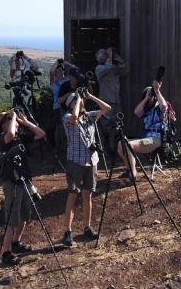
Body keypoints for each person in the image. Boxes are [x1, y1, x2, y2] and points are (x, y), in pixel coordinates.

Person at [0, 109, 46, 266]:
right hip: (12, 183)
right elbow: (9, 135)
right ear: (3, 124)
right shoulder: (3, 139)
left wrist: (24, 122)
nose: (13, 121)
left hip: (24, 181)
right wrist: (14, 117)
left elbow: (41, 133)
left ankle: (16, 243)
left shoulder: (20, 138)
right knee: (12, 219)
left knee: (25, 215)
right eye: (8, 119)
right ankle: (6, 252)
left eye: (11, 119)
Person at [61, 90, 111, 246]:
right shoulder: (67, 117)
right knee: (72, 194)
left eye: (79, 100)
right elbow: (74, 117)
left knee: (87, 195)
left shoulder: (89, 116)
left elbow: (107, 108)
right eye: (75, 100)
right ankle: (68, 232)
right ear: (70, 105)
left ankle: (87, 227)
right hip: (75, 161)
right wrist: (78, 100)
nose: (79, 101)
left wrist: (90, 96)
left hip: (91, 161)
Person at [117, 80, 167, 179]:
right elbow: (136, 112)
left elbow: (164, 106)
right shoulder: (145, 109)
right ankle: (129, 169)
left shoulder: (158, 106)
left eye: (151, 95)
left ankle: (133, 173)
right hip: (146, 138)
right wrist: (146, 98)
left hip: (156, 139)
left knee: (129, 145)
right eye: (148, 95)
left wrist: (156, 91)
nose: (151, 96)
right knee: (120, 144)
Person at [95, 48, 130, 160]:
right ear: (99, 58)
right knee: (106, 126)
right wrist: (110, 57)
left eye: (107, 54)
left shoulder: (113, 68)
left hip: (116, 101)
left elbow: (126, 69)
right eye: (104, 55)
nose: (107, 56)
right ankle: (105, 151)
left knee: (117, 125)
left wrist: (119, 59)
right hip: (106, 102)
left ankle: (114, 149)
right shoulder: (99, 68)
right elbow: (108, 68)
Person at [49, 59, 77, 154]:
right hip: (57, 107)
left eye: (61, 71)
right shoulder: (54, 83)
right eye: (58, 71)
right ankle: (58, 147)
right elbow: (51, 72)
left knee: (65, 128)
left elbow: (76, 69)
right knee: (59, 128)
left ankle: (65, 147)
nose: (59, 72)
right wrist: (56, 62)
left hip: (68, 106)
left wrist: (65, 63)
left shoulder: (67, 80)